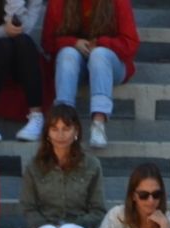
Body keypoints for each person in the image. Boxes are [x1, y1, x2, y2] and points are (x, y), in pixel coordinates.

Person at [22, 105, 104, 228]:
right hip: (46, 227)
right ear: (47, 133)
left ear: (76, 131)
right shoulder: (34, 166)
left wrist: (70, 226)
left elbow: (98, 211)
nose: (60, 134)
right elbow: (29, 208)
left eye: (66, 128)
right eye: (54, 128)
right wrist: (49, 226)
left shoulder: (91, 165)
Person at [44, 0, 138, 150]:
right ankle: (64, 122)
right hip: (76, 65)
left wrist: (100, 42)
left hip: (111, 64)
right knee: (67, 54)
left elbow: (131, 43)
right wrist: (72, 42)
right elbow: (47, 42)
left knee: (99, 55)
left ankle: (98, 123)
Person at [0, 0, 48, 145]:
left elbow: (21, 30)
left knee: (23, 41)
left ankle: (36, 116)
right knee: (3, 45)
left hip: (19, 57)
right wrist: (2, 31)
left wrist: (14, 3)